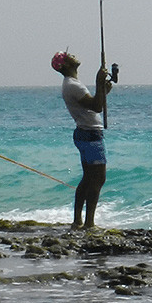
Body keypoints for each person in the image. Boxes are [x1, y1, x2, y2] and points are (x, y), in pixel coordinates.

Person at [51, 51, 112, 230]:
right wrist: (98, 82)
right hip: (91, 134)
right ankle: (89, 223)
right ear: (65, 65)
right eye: (68, 56)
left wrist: (102, 89)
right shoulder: (73, 85)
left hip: (84, 132)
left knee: (87, 178)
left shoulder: (72, 84)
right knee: (98, 179)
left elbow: (94, 103)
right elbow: (96, 107)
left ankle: (78, 220)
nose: (73, 55)